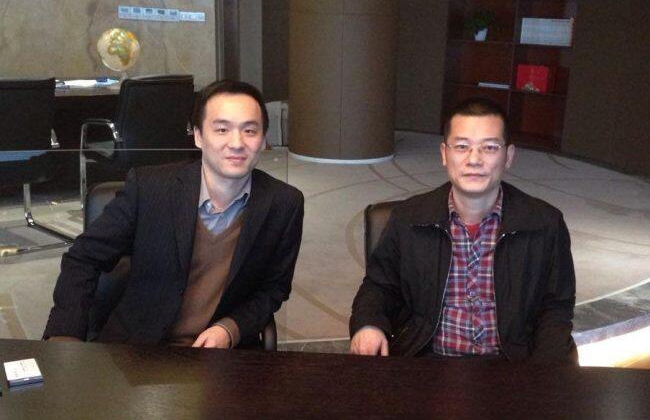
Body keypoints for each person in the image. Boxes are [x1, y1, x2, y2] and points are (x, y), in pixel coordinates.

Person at [43, 80, 304, 349]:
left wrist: (230, 329)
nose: (236, 143)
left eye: (249, 130)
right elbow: (83, 258)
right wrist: (65, 335)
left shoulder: (284, 203)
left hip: (221, 357)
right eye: (222, 129)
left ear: (263, 140)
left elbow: (273, 288)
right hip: (137, 351)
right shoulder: (150, 188)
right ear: (199, 136)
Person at [349, 98, 577, 363]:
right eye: (461, 146)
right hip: (426, 360)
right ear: (444, 154)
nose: (474, 159)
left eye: (489, 147)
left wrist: (542, 374)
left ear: (508, 156)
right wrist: (369, 324)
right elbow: (379, 285)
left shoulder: (545, 223)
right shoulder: (408, 218)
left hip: (511, 364)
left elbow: (555, 308)